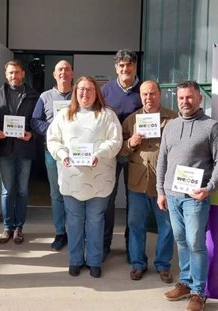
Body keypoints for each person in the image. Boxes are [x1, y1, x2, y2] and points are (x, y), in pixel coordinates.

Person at [157, 80, 218, 311]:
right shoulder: (171, 126)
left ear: (199, 98)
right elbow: (162, 161)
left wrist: (209, 188)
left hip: (195, 197)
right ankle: (186, 283)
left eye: (189, 97)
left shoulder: (211, 126)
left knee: (196, 243)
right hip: (172, 194)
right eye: (180, 98)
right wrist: (160, 191)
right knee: (181, 240)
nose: (185, 102)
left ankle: (199, 292)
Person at [47, 76, 122, 278]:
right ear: (75, 92)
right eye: (81, 89)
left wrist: (100, 154)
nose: (85, 93)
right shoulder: (64, 115)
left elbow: (115, 141)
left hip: (100, 178)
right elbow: (53, 139)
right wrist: (62, 155)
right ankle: (75, 259)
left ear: (96, 92)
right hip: (72, 178)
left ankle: (94, 260)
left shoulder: (107, 115)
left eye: (89, 89)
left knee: (96, 220)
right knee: (73, 220)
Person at [119, 80, 176, 283]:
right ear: (140, 97)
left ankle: (163, 264)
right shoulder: (131, 121)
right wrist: (130, 143)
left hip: (163, 184)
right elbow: (121, 151)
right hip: (138, 181)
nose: (148, 98)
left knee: (167, 226)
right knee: (136, 224)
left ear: (160, 94)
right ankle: (138, 264)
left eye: (152, 93)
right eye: (144, 94)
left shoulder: (174, 118)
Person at [0, 60, 39, 244]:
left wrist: (31, 134)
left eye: (17, 72)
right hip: (5, 149)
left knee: (23, 191)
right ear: (5, 73)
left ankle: (19, 227)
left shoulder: (34, 95)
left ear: (23, 73)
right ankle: (7, 227)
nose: (13, 76)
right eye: (10, 72)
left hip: (25, 148)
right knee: (7, 191)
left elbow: (38, 121)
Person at [100, 49, 143, 261]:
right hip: (111, 153)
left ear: (135, 66)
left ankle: (131, 248)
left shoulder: (143, 91)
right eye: (121, 65)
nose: (125, 69)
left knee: (134, 202)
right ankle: (105, 245)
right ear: (116, 67)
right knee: (107, 200)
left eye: (129, 65)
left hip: (137, 154)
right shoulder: (106, 91)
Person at [31, 60, 73, 251]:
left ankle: (75, 232)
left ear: (72, 73)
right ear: (54, 75)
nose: (63, 72)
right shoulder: (45, 96)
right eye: (59, 70)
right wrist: (55, 128)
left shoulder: (80, 94)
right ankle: (60, 232)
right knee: (56, 194)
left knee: (75, 193)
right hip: (53, 152)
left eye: (66, 69)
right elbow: (35, 121)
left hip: (76, 154)